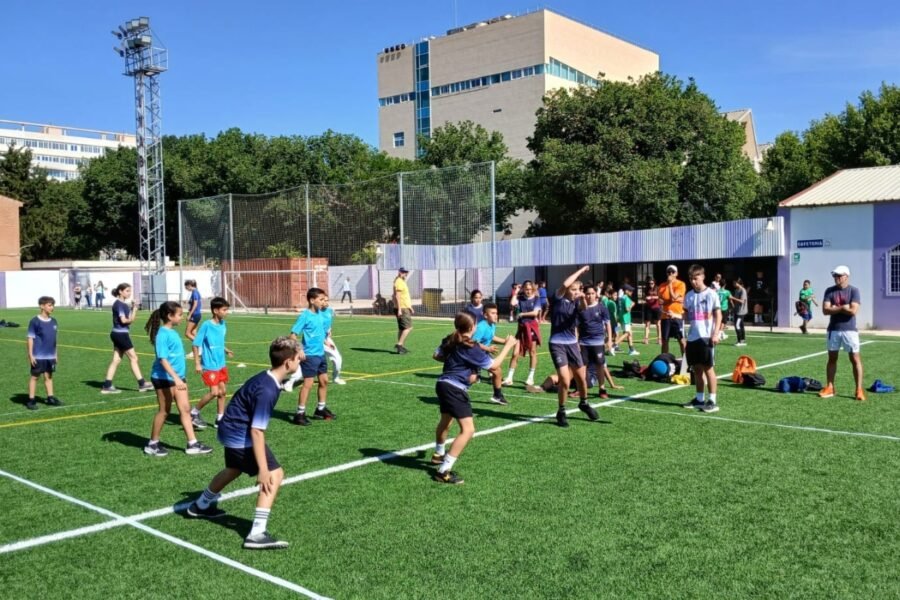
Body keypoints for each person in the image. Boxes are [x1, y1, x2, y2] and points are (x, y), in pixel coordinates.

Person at [186, 336, 302, 550]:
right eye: (298, 359)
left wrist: (296, 349)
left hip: (229, 429)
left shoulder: (267, 378)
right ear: (288, 363)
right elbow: (257, 431)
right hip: (240, 433)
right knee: (275, 475)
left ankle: (200, 504)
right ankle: (256, 533)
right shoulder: (267, 390)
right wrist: (264, 469)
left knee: (233, 468)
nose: (300, 362)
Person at [430, 312, 517, 484]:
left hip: (442, 384)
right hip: (455, 388)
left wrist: (458, 365)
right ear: (472, 327)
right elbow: (493, 366)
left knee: (446, 420)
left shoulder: (451, 338)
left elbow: (437, 355)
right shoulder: (471, 347)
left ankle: (438, 454)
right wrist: (508, 345)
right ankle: (443, 470)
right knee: (468, 430)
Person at [143, 301, 212, 457]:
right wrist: (176, 378)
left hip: (178, 378)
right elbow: (163, 359)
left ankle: (192, 444)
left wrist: (180, 377)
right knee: (164, 411)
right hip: (164, 378)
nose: (182, 318)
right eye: (180, 315)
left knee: (185, 409)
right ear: (170, 316)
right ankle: (152, 444)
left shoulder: (173, 332)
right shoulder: (162, 334)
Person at [547, 265, 599, 428]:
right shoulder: (558, 298)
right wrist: (580, 271)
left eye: (578, 289)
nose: (576, 291)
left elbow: (583, 308)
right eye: (574, 289)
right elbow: (565, 283)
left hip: (572, 344)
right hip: (557, 343)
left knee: (581, 379)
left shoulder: (577, 304)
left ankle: (584, 403)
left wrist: (582, 297)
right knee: (564, 379)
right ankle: (561, 411)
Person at [286, 287, 334, 425]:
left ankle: (321, 409)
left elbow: (319, 332)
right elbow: (293, 335)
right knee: (308, 384)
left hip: (320, 354)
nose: (323, 302)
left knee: (324, 381)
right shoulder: (305, 316)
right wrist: (299, 349)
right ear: (312, 300)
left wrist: (326, 342)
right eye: (320, 299)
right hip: (310, 356)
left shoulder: (320, 314)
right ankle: (299, 413)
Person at [819, 265, 865, 401]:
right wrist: (843, 307)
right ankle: (830, 387)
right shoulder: (829, 291)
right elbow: (825, 310)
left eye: (839, 276)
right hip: (833, 329)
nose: (836, 278)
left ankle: (859, 390)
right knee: (832, 359)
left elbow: (853, 311)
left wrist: (836, 308)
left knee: (855, 359)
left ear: (846, 276)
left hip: (850, 330)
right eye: (835, 276)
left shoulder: (854, 291)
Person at [680, 265, 722, 413]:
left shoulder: (711, 294)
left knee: (708, 368)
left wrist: (715, 333)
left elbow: (718, 315)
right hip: (692, 337)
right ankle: (699, 399)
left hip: (706, 337)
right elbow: (685, 316)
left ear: (703, 277)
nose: (693, 281)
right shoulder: (689, 295)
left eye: (695, 278)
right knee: (696, 369)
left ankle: (712, 401)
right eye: (691, 279)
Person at [189, 297, 235, 430]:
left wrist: (226, 350)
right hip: (209, 365)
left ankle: (220, 418)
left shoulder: (222, 324)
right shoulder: (206, 325)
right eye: (224, 310)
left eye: (227, 309)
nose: (227, 312)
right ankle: (194, 412)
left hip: (221, 364)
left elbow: (218, 342)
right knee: (214, 392)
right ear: (215, 310)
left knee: (223, 392)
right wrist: (197, 363)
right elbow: (196, 344)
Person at [101, 283, 154, 394]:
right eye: (127, 291)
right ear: (120, 291)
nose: (129, 293)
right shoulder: (120, 304)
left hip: (117, 333)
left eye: (130, 291)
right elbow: (124, 320)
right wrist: (133, 310)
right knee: (134, 358)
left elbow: (129, 319)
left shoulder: (122, 304)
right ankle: (142, 384)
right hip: (121, 335)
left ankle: (107, 385)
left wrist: (133, 308)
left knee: (116, 360)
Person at [577, 285, 615, 399]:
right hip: (584, 342)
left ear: (596, 294)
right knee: (582, 366)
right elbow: (577, 326)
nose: (590, 296)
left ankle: (602, 389)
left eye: (592, 293)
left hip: (598, 342)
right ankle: (580, 389)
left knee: (600, 365)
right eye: (588, 293)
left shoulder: (602, 308)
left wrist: (609, 340)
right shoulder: (580, 308)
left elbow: (608, 323)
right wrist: (577, 340)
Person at [471, 302, 511, 405]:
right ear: (485, 315)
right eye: (492, 313)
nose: (495, 315)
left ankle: (497, 395)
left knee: (497, 371)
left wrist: (505, 341)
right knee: (471, 378)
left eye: (496, 313)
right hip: (474, 354)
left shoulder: (492, 325)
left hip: (483, 353)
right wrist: (488, 348)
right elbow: (474, 343)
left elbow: (491, 337)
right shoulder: (481, 327)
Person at [26, 296, 62, 410]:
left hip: (50, 355)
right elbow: (30, 338)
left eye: (53, 305)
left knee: (49, 376)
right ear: (42, 306)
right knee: (35, 377)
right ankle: (31, 400)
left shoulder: (54, 321)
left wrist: (55, 354)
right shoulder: (35, 321)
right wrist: (31, 355)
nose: (52, 307)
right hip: (38, 356)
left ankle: (50, 398)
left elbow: (54, 340)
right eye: (50, 305)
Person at [503, 280, 541, 386]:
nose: (528, 291)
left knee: (532, 352)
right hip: (521, 329)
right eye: (526, 289)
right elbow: (512, 303)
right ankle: (509, 378)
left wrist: (523, 314)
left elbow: (535, 313)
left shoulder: (537, 299)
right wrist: (516, 291)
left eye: (529, 289)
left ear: (532, 289)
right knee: (515, 353)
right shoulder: (520, 298)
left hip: (531, 329)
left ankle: (530, 377)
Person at [658, 265, 687, 358]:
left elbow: (673, 297)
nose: (670, 274)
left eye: (673, 272)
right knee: (665, 340)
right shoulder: (661, 286)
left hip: (677, 316)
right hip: (665, 317)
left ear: (677, 273)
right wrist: (674, 300)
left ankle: (686, 362)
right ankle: (664, 360)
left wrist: (670, 285)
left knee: (681, 340)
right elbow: (660, 300)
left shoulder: (680, 284)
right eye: (668, 272)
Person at [321, 297, 346, 385]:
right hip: (318, 340)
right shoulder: (316, 313)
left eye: (327, 300)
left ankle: (336, 377)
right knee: (304, 363)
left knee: (337, 358)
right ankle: (290, 381)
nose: (326, 302)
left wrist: (329, 330)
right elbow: (316, 330)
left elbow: (328, 323)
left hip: (326, 338)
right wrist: (325, 342)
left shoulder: (330, 310)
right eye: (324, 300)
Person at [392, 267, 414, 354]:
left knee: (402, 328)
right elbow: (397, 296)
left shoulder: (401, 281)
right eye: (404, 272)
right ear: (400, 272)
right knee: (408, 327)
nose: (406, 274)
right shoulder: (399, 282)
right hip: (402, 309)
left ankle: (400, 348)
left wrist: (410, 307)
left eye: (406, 272)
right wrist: (400, 309)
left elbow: (404, 297)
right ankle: (399, 344)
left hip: (404, 307)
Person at [614, 284, 640, 356]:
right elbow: (627, 309)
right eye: (630, 291)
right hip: (626, 319)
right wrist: (632, 305)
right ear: (626, 291)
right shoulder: (626, 298)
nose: (632, 292)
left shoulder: (621, 298)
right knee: (627, 333)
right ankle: (614, 345)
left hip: (622, 318)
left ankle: (631, 349)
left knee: (630, 333)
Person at [642, 277, 661, 345]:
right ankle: (646, 339)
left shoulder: (658, 288)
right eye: (649, 283)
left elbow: (660, 297)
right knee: (647, 324)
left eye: (652, 283)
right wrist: (645, 298)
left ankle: (659, 339)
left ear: (654, 283)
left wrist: (652, 297)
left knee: (658, 324)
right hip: (648, 307)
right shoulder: (646, 289)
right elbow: (643, 297)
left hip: (656, 307)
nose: (650, 285)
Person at [184, 280, 202, 346]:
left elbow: (195, 304)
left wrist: (190, 314)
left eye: (186, 287)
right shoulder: (195, 292)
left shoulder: (195, 292)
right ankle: (198, 349)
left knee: (187, 333)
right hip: (197, 315)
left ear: (189, 285)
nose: (186, 289)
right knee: (194, 333)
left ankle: (200, 346)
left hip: (195, 315)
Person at [732, 278, 748, 347]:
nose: (734, 284)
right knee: (740, 325)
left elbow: (742, 301)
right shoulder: (736, 290)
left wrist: (733, 298)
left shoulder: (743, 290)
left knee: (737, 325)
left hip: (741, 312)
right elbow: (735, 302)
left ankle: (740, 341)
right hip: (737, 311)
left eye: (735, 283)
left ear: (739, 283)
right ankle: (742, 340)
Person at [602, 286, 619, 353]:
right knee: (615, 335)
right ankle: (612, 347)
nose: (616, 296)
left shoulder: (608, 302)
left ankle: (605, 346)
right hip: (613, 322)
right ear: (610, 295)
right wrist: (616, 321)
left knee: (610, 336)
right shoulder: (612, 303)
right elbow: (614, 314)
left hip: (609, 321)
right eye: (614, 295)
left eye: (616, 295)